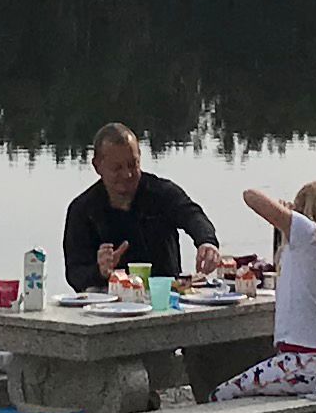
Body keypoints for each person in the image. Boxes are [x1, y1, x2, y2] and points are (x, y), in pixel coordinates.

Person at [210, 180, 316, 398]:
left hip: (305, 362)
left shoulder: (308, 232)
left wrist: (285, 212)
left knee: (221, 395)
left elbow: (250, 195)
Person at [61, 122, 222, 292]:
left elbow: (192, 215)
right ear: (97, 166)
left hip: (164, 297)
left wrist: (207, 242)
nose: (127, 174)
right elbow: (75, 274)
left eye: (133, 164)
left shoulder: (161, 193)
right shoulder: (82, 210)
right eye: (117, 168)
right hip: (109, 305)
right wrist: (99, 271)